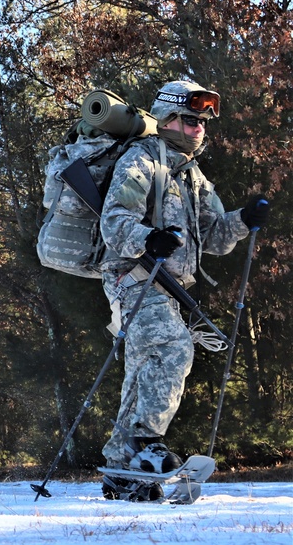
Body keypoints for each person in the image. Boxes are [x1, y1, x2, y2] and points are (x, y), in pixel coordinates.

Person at [98, 80, 269, 499]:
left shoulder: (192, 175)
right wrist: (150, 239)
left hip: (168, 288)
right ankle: (145, 444)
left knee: (142, 372)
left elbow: (214, 237)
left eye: (203, 123)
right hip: (133, 278)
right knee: (174, 348)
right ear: (169, 118)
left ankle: (122, 471)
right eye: (192, 120)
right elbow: (113, 223)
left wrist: (243, 220)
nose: (199, 129)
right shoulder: (141, 160)